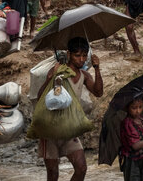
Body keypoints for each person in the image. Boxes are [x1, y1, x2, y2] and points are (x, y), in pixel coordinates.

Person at [37, 37, 103, 181]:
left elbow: (98, 92)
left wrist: (97, 68)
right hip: (50, 130)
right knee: (53, 174)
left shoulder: (84, 75)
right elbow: (40, 97)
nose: (81, 59)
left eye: (84, 55)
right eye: (77, 55)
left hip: (69, 129)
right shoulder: (58, 72)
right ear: (69, 55)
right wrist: (50, 78)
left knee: (81, 168)